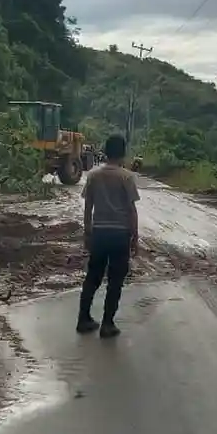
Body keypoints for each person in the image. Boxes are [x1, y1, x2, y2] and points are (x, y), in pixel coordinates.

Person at [78, 133, 140, 338]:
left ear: (105, 151)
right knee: (115, 280)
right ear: (123, 153)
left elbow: (88, 208)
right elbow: (131, 210)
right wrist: (135, 237)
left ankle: (83, 319)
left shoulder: (93, 175)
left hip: (99, 233)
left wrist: (87, 233)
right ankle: (107, 324)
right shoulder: (127, 177)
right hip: (120, 234)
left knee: (92, 277)